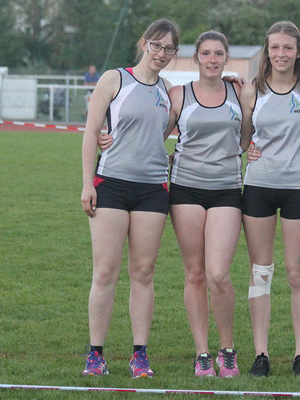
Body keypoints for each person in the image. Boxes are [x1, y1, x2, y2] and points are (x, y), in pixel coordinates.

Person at [80, 18, 180, 378]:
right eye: (157, 45)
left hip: (153, 189)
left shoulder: (170, 91)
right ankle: (96, 354)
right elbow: (92, 133)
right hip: (111, 185)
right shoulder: (114, 79)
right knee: (105, 271)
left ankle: (140, 354)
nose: (161, 53)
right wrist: (87, 184)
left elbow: (177, 129)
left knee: (143, 272)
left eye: (169, 48)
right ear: (144, 43)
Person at [238, 21, 300, 378]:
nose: (282, 54)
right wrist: (248, 149)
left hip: (299, 189)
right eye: (275, 48)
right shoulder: (252, 91)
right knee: (261, 273)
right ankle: (261, 353)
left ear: (298, 52)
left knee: (296, 272)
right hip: (258, 187)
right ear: (266, 51)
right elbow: (242, 136)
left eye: (289, 48)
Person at [168, 30, 243, 378]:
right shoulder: (178, 96)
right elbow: (150, 134)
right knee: (195, 274)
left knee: (218, 274)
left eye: (218, 54)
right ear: (195, 58)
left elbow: (253, 134)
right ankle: (202, 353)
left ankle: (227, 350)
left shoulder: (239, 92)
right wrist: (106, 137)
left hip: (227, 189)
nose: (212, 59)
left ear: (226, 58)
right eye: (206, 53)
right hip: (186, 191)